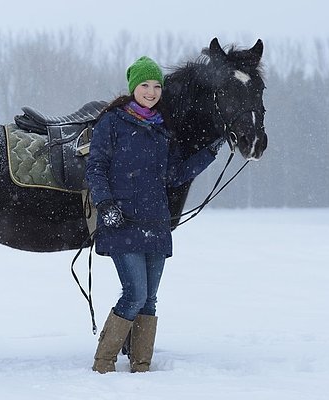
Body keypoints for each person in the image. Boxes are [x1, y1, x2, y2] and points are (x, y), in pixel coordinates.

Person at [85, 56, 222, 374]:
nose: (151, 91)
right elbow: (97, 166)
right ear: (134, 87)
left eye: (156, 86)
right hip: (123, 223)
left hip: (156, 225)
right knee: (134, 294)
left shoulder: (162, 130)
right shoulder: (113, 122)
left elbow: (174, 175)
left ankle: (141, 367)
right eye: (145, 85)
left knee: (149, 300)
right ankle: (103, 364)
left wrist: (210, 153)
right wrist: (105, 205)